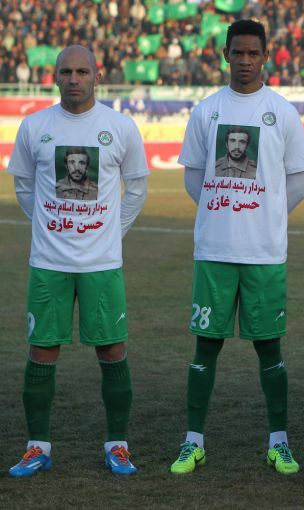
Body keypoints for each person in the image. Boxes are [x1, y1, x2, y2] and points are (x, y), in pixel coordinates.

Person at [170, 20, 304, 476]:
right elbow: (194, 177)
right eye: (238, 52)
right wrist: (224, 212)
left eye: (253, 53)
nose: (245, 60)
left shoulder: (282, 112)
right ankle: (193, 442)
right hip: (214, 250)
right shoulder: (206, 110)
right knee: (205, 346)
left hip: (264, 254)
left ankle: (279, 442)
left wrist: (263, 214)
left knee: (269, 348)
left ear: (265, 56)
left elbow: (299, 182)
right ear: (226, 55)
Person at [7, 45, 149, 477]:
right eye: (66, 72)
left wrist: (111, 233)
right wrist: (47, 226)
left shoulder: (119, 127)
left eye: (82, 71)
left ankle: (118, 445)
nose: (74, 79)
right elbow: (24, 185)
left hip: (101, 264)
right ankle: (37, 446)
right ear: (55, 77)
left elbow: (137, 187)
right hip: (48, 262)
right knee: (41, 350)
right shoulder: (34, 126)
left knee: (112, 348)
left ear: (97, 76)